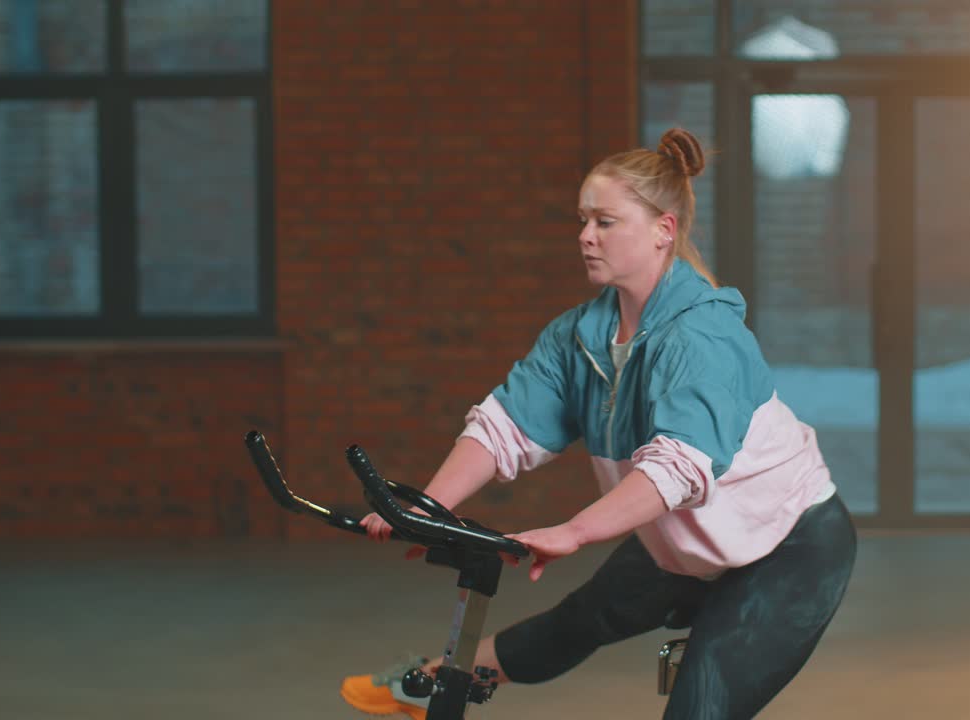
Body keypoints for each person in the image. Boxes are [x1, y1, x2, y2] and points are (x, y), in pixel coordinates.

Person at [340, 128, 858, 720]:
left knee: (699, 709)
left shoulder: (702, 334)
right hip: (688, 538)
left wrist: (577, 531)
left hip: (787, 547)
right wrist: (426, 508)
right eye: (583, 220)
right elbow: (504, 426)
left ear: (663, 230)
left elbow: (680, 465)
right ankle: (430, 684)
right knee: (576, 622)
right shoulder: (579, 337)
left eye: (605, 222)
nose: (585, 236)